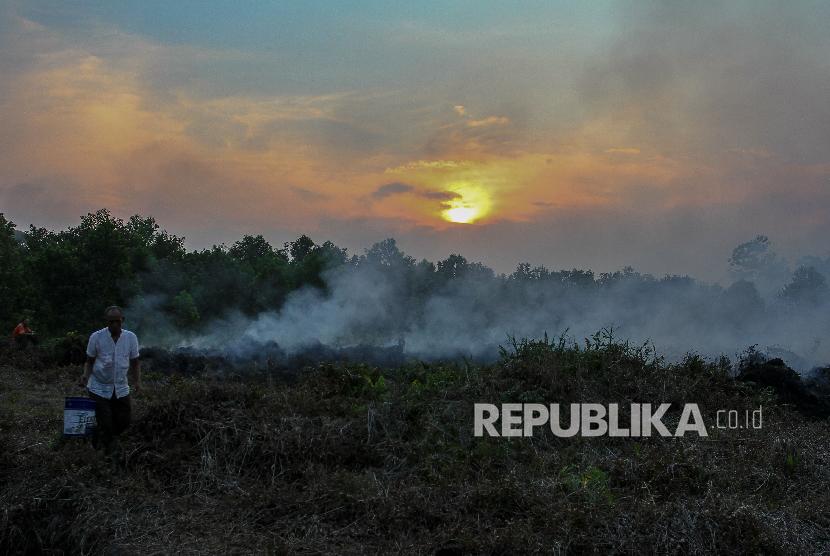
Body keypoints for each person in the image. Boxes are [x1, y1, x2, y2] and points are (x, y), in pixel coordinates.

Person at [79, 306, 141, 456]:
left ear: (123, 321)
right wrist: (85, 376)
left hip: (121, 388)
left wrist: (137, 382)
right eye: (111, 322)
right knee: (105, 423)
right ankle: (105, 454)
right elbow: (89, 361)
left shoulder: (130, 338)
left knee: (124, 421)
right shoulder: (96, 337)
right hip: (99, 388)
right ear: (106, 322)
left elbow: (135, 362)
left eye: (117, 321)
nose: (114, 325)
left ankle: (114, 448)